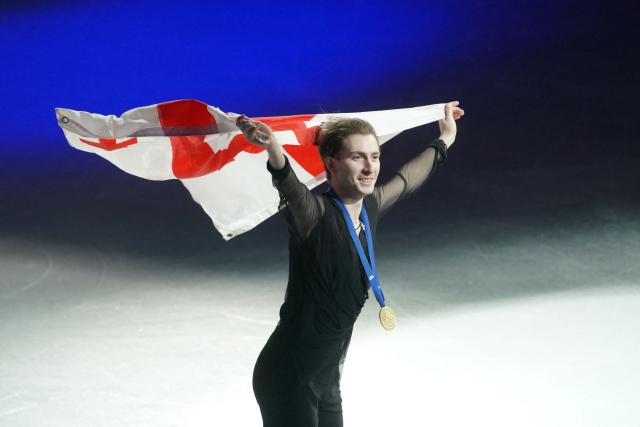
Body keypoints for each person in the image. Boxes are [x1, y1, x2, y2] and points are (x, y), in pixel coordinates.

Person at [236, 101, 464, 427]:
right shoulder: (314, 216)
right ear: (331, 163)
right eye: (357, 157)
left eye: (374, 156)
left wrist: (445, 140)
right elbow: (289, 185)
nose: (370, 167)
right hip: (287, 378)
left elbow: (406, 179)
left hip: (327, 379)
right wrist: (273, 148)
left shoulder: (370, 209)